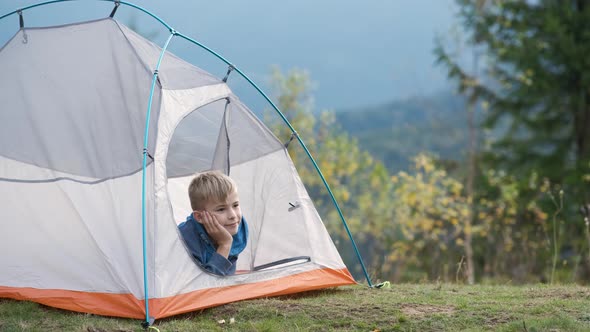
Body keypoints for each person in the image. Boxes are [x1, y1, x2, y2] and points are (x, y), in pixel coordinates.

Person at [178, 171, 248, 276]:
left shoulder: (234, 227)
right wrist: (225, 244)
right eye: (221, 209)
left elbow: (226, 279)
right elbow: (204, 287)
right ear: (199, 217)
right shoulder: (184, 240)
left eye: (235, 205)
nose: (233, 215)